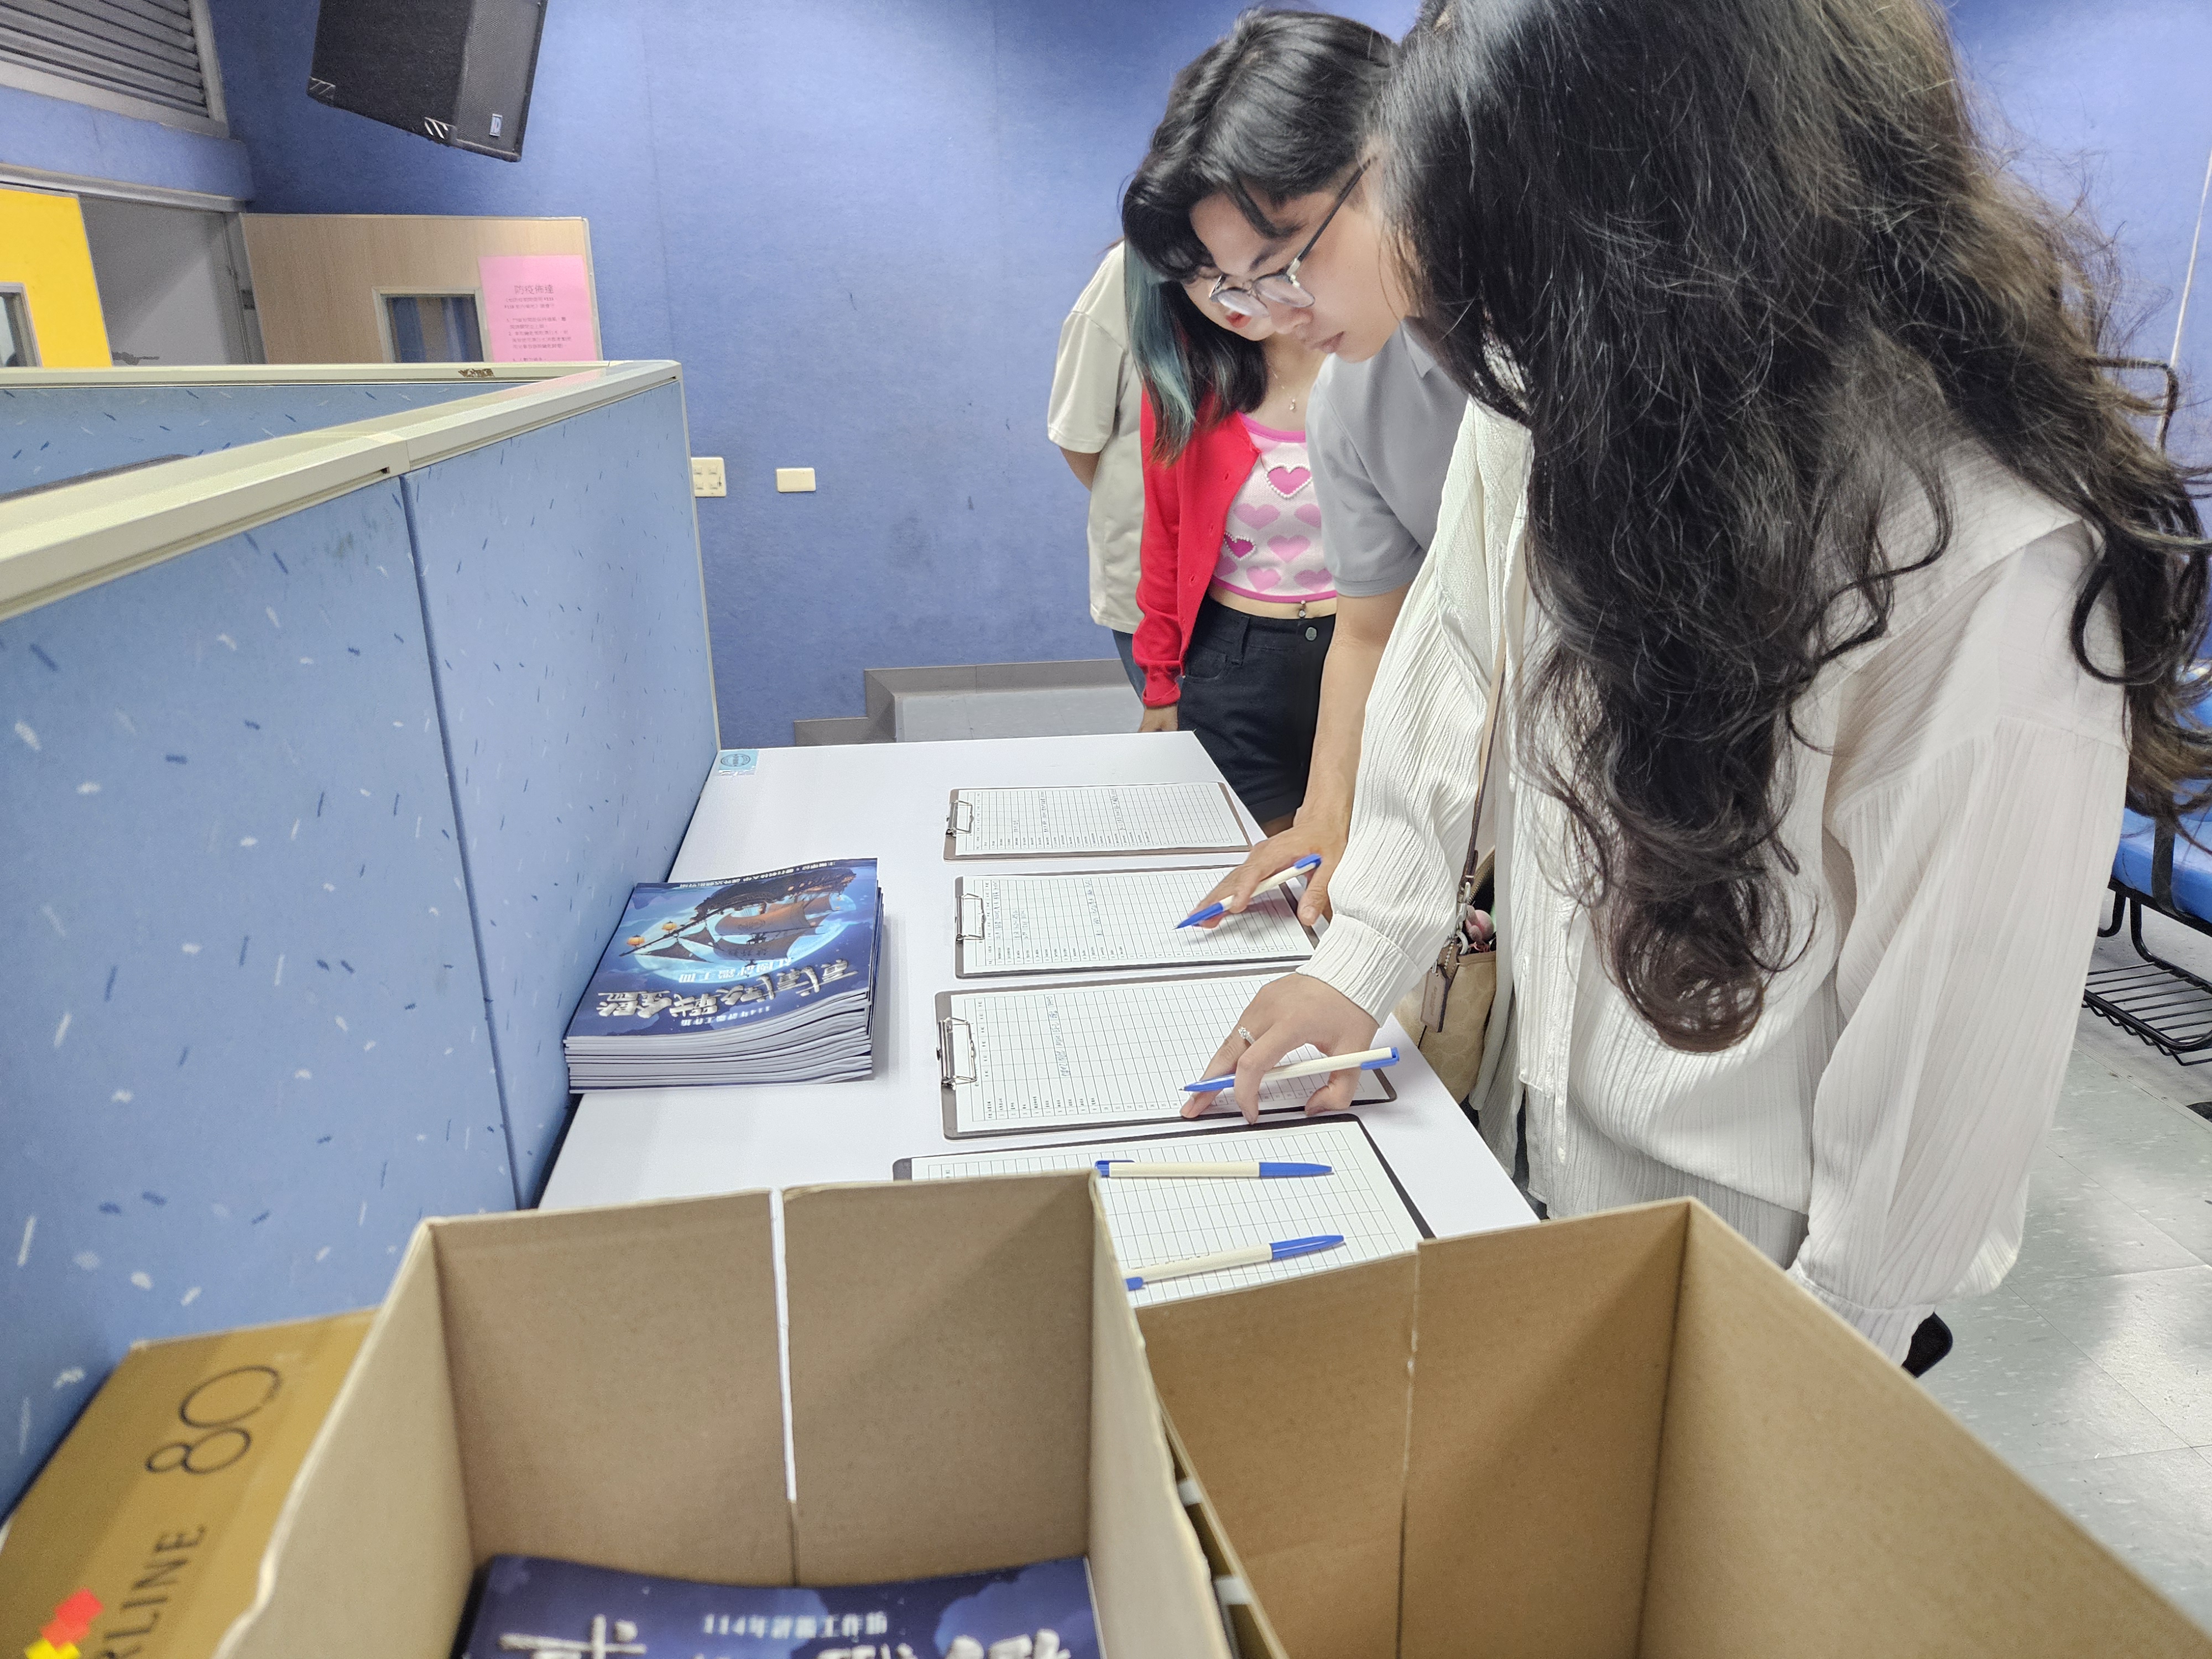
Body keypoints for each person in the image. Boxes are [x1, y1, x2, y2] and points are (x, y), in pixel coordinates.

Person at [1197, 0, 2212, 1371]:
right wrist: (1365, 951)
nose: (1482, 338)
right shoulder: (1560, 386)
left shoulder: (1983, 554)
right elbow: (1448, 662)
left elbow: (1944, 1067)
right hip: (1533, 1137)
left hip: (1762, 1263)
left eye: (1514, 262)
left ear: (1671, 227)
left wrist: (1813, 1363)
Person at [1120, 11, 1395, 833]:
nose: (1248, 305)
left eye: (1271, 268)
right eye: (1212, 280)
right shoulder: (1193, 382)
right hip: (1242, 653)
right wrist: (1160, 682)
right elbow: (1166, 539)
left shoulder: (1392, 360)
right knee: (1261, 863)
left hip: (1366, 638)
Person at [1047, 244, 1147, 696]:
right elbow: (1078, 437)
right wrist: (1157, 506)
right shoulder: (1128, 274)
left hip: (1271, 567)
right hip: (1152, 560)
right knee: (1182, 723)